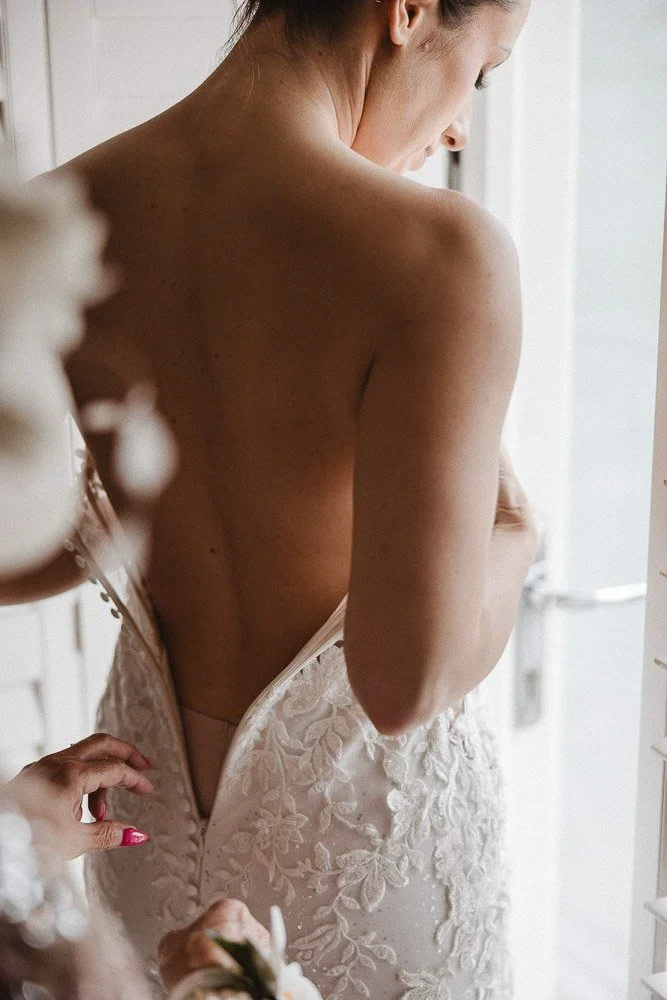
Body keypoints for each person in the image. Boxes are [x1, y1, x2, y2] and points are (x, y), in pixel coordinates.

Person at [0, 0, 538, 995]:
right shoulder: (441, 254)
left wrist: (130, 505)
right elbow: (403, 683)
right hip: (368, 864)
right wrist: (514, 538)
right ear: (408, 11)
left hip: (144, 829)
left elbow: (10, 545)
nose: (461, 124)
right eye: (484, 68)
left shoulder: (59, 214)